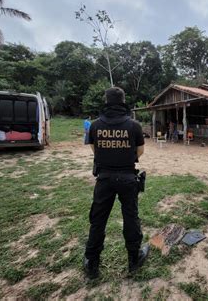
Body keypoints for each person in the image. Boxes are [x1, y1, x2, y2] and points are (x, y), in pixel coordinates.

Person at [83, 87, 149, 279]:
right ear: (123, 101)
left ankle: (92, 263)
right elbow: (140, 151)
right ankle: (134, 259)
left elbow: (94, 150)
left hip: (103, 179)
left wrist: (108, 159)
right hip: (128, 178)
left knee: (98, 220)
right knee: (131, 217)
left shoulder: (95, 125)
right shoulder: (134, 125)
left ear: (106, 101)